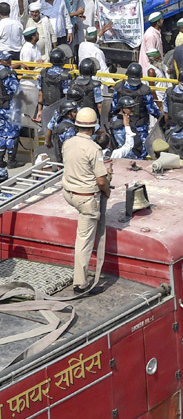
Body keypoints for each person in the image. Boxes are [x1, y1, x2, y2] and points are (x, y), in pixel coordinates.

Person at [60, 107, 110, 292]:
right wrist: (107, 190)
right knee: (84, 241)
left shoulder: (68, 143)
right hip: (85, 198)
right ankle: (81, 284)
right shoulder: (94, 148)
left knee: (82, 234)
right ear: (94, 126)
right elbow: (101, 180)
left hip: (68, 193)